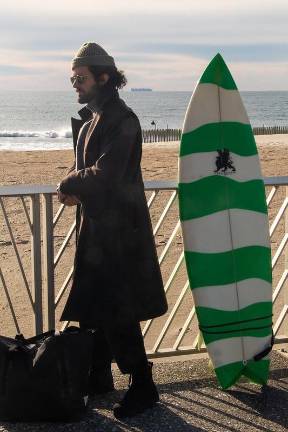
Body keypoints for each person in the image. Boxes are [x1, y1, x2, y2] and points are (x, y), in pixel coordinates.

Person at [57, 42, 168, 419]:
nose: (75, 84)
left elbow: (105, 174)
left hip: (120, 235)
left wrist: (70, 183)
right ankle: (99, 376)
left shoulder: (123, 120)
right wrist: (76, 189)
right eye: (73, 78)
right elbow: (96, 176)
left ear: (104, 78)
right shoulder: (95, 119)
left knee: (117, 310)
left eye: (80, 78)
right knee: (94, 307)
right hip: (100, 232)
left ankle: (144, 385)